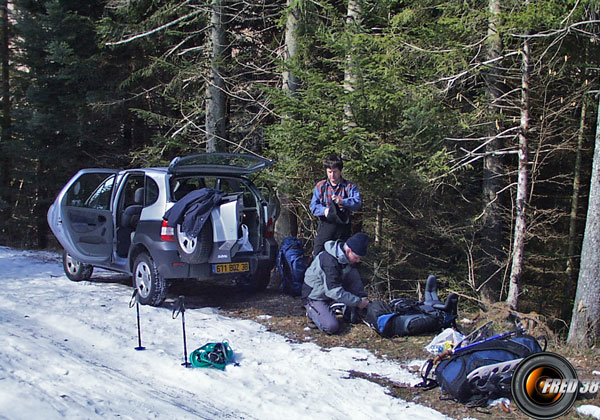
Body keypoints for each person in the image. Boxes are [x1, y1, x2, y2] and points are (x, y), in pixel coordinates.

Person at [301, 232, 370, 334]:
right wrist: (358, 302)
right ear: (348, 251)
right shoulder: (329, 261)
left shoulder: (346, 259)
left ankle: (350, 307)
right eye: (356, 257)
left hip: (329, 294)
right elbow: (333, 291)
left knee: (353, 273)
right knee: (331, 327)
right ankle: (311, 312)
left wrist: (362, 299)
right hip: (314, 296)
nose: (358, 260)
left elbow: (352, 283)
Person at [310, 154, 362, 257]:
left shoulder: (349, 186)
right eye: (329, 172)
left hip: (343, 226)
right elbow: (313, 206)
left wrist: (342, 201)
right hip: (325, 225)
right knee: (319, 254)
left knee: (342, 256)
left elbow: (357, 203)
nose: (332, 176)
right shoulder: (321, 186)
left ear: (340, 171)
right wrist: (324, 211)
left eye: (335, 172)